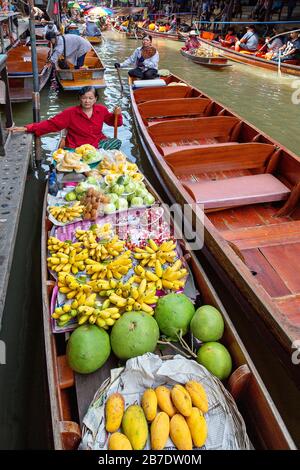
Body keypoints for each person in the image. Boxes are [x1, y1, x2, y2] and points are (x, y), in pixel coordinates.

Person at [8, 86, 123, 150]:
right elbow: (51, 124)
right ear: (79, 98)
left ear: (95, 99)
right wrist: (27, 128)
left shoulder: (101, 110)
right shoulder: (70, 113)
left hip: (96, 143)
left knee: (116, 142)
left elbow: (115, 123)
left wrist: (117, 115)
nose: (87, 101)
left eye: (90, 98)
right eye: (84, 98)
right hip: (77, 147)